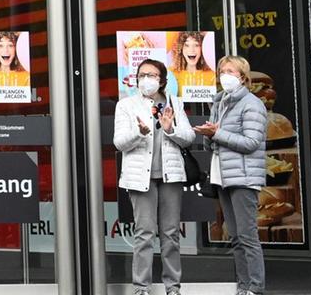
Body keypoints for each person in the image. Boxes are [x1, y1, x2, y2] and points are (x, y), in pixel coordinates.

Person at [114, 59, 194, 295]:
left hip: (171, 177)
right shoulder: (126, 105)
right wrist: (139, 133)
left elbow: (189, 137)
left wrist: (170, 128)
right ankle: (141, 288)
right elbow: (119, 143)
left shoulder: (174, 103)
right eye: (142, 75)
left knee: (170, 233)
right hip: (141, 178)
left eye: (152, 75)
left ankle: (173, 287)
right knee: (145, 233)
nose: (146, 79)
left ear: (162, 80)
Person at [193, 55, 267, 295]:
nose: (225, 75)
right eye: (222, 70)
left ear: (242, 77)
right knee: (235, 237)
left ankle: (255, 288)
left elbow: (252, 142)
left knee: (247, 237)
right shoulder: (220, 102)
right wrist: (208, 134)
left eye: (231, 71)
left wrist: (218, 133)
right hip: (222, 176)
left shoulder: (252, 104)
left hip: (243, 178)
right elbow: (215, 142)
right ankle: (243, 287)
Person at [0, 31, 28, 99]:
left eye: (10, 45)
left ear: (16, 49)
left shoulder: (26, 76)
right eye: (1, 45)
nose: (5, 50)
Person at [170, 32, 215, 97]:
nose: (191, 50)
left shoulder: (212, 75)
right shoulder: (171, 73)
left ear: (202, 48)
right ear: (180, 48)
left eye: (196, 45)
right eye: (187, 45)